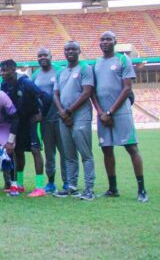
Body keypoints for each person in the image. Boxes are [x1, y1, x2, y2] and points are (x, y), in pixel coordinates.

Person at [91, 31, 147, 203]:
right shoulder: (97, 63)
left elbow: (127, 88)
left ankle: (141, 189)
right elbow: (93, 91)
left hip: (120, 112)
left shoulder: (123, 60)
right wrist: (101, 112)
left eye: (108, 39)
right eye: (102, 39)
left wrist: (110, 112)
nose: (105, 42)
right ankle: (113, 188)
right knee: (106, 149)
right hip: (102, 115)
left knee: (131, 148)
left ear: (115, 41)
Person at [52, 41, 95, 200]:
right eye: (67, 49)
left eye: (73, 49)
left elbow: (86, 92)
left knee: (85, 153)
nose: (70, 52)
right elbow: (55, 94)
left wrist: (68, 111)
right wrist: (62, 112)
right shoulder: (61, 72)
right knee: (68, 154)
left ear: (79, 51)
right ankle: (71, 186)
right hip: (64, 116)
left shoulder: (85, 68)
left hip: (80, 115)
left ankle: (89, 188)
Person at [0, 59, 48, 197]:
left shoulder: (26, 83)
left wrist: (41, 114)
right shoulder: (4, 85)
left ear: (14, 69)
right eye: (2, 70)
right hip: (18, 122)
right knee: (18, 151)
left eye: (6, 70)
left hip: (31, 121)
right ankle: (19, 184)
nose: (3, 73)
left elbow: (45, 97)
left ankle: (40, 187)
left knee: (35, 150)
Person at [31, 47, 68, 194]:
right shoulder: (35, 75)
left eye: (45, 55)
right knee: (49, 153)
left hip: (60, 118)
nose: (42, 58)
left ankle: (67, 182)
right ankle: (51, 182)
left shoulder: (60, 71)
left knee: (65, 152)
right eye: (39, 56)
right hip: (45, 120)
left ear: (51, 56)